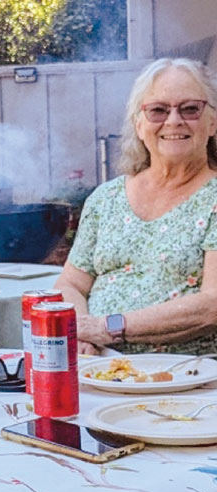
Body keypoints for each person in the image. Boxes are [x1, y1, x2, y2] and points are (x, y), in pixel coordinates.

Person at [55, 58, 217, 355]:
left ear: (212, 123)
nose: (174, 121)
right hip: (100, 369)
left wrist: (109, 328)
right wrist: (81, 334)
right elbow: (71, 284)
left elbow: (212, 304)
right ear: (139, 125)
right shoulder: (105, 200)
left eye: (190, 108)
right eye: (158, 110)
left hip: (190, 377)